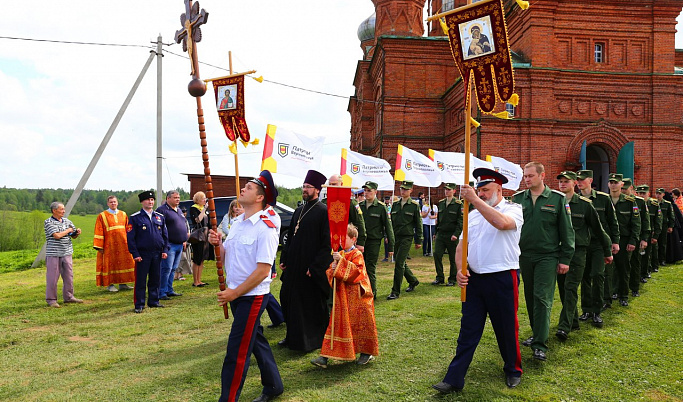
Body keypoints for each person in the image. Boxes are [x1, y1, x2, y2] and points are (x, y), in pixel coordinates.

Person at [432, 168, 523, 393]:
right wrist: (461, 268)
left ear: (499, 189)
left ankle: (513, 370)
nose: (481, 194)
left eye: (485, 190)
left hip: (502, 276)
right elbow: (462, 246)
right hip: (474, 280)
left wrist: (473, 199)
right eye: (479, 190)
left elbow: (501, 224)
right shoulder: (471, 215)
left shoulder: (513, 209)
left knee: (506, 327)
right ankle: (454, 378)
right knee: (468, 330)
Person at [208, 170, 284, 402]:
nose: (243, 189)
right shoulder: (238, 222)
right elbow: (227, 255)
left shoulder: (266, 227)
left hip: (251, 296)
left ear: (260, 197)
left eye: (249, 188)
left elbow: (263, 271)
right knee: (255, 340)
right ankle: (274, 386)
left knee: (237, 352)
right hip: (236, 293)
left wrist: (234, 293)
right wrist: (218, 244)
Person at [512, 162, 574, 361]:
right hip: (524, 255)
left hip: (548, 255)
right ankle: (536, 333)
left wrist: (565, 259)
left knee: (542, 298)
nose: (527, 179)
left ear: (542, 175)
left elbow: (567, 231)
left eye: (530, 176)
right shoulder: (517, 199)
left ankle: (540, 344)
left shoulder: (557, 199)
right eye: (525, 176)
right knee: (530, 297)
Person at [311, 224, 379, 368]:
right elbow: (330, 272)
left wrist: (340, 263)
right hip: (342, 297)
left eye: (345, 238)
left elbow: (356, 272)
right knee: (336, 323)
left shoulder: (357, 254)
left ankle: (366, 352)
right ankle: (325, 356)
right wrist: (333, 269)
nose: (341, 240)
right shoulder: (339, 254)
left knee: (361, 325)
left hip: (358, 298)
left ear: (354, 239)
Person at [278, 170, 332, 352]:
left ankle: (310, 340)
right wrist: (284, 258)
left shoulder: (323, 211)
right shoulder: (299, 211)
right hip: (293, 266)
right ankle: (291, 336)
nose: (304, 189)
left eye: (308, 187)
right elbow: (291, 238)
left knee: (307, 304)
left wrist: (316, 267)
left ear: (317, 190)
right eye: (304, 186)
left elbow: (327, 244)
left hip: (309, 268)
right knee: (288, 299)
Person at [555, 172, 612, 341]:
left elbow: (599, 230)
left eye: (567, 182)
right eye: (561, 182)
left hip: (578, 251)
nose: (563, 184)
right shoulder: (555, 202)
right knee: (563, 288)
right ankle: (573, 321)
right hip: (559, 252)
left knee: (571, 287)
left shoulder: (585, 205)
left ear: (574, 183)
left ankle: (563, 327)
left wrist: (607, 251)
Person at [576, 170, 619, 328]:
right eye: (577, 180)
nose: (579, 182)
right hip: (582, 243)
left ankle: (597, 310)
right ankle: (586, 309)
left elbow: (612, 222)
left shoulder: (603, 198)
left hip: (598, 243)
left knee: (598, 274)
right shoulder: (575, 199)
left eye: (582, 179)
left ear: (590, 180)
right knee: (585, 276)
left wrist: (615, 241)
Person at [127, 191, 169, 313]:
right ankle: (139, 304)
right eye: (147, 200)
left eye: (152, 200)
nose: (150, 202)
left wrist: (165, 249)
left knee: (155, 279)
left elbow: (165, 235)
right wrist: (135, 254)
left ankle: (153, 301)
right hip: (142, 254)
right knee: (141, 280)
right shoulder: (135, 218)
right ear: (142, 202)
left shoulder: (159, 217)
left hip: (157, 253)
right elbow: (130, 238)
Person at [605, 174, 640, 308]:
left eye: (616, 182)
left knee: (623, 268)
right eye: (611, 182)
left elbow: (636, 223)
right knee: (607, 270)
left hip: (624, 240)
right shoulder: (605, 200)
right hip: (607, 239)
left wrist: (633, 241)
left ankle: (623, 295)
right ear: (608, 184)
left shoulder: (630, 202)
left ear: (621, 184)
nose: (613, 185)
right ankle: (609, 294)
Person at [44, 202, 84, 308]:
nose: (63, 211)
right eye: (61, 209)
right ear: (54, 210)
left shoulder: (67, 221)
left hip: (67, 252)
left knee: (68, 276)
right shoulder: (48, 222)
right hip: (54, 254)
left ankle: (69, 297)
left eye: (64, 209)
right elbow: (57, 235)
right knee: (52, 278)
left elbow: (72, 235)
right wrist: (68, 230)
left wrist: (76, 233)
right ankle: (51, 300)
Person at [387, 181, 422, 300]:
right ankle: (413, 281)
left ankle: (395, 291)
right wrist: (389, 236)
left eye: (406, 189)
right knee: (400, 261)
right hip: (396, 236)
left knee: (399, 263)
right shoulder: (395, 205)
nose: (403, 191)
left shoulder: (414, 205)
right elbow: (391, 223)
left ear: (411, 190)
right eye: (402, 189)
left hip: (407, 237)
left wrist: (419, 240)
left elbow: (418, 223)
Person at [359, 181, 394, 298]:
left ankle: (372, 292)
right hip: (360, 241)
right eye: (365, 190)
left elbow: (388, 227)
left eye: (369, 190)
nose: (366, 193)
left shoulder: (381, 207)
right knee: (359, 267)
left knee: (370, 267)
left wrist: (391, 246)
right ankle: (361, 291)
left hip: (374, 241)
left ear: (375, 192)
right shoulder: (360, 206)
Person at [93, 196, 135, 292]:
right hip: (109, 245)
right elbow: (99, 230)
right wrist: (99, 245)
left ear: (117, 203)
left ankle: (123, 283)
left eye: (114, 202)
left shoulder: (123, 214)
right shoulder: (102, 215)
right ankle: (110, 284)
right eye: (111, 202)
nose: (113, 204)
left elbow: (128, 229)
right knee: (110, 264)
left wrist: (131, 241)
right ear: (108, 204)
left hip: (123, 244)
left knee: (124, 262)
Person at [156, 190, 188, 300]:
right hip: (169, 245)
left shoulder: (178, 210)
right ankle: (161, 292)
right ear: (168, 198)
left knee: (173, 268)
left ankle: (169, 290)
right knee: (166, 269)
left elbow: (182, 224)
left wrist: (184, 239)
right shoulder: (162, 210)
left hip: (179, 244)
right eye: (175, 197)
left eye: (178, 197)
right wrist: (164, 244)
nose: (178, 199)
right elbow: (158, 228)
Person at [622, 179, 650, 300]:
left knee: (635, 262)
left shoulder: (639, 202)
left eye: (625, 189)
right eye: (622, 188)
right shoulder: (616, 200)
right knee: (621, 265)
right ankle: (619, 289)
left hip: (636, 237)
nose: (623, 191)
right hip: (622, 237)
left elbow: (645, 221)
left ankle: (634, 287)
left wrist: (644, 238)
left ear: (631, 188)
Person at [432, 183, 463, 286]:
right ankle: (440, 277)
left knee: (453, 257)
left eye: (449, 190)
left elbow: (460, 221)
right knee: (437, 254)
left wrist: (456, 234)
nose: (447, 191)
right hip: (441, 233)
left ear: (454, 191)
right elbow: (439, 219)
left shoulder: (458, 204)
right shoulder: (441, 203)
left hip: (452, 234)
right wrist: (436, 232)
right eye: (446, 189)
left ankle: (452, 279)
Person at [325, 174, 367, 251]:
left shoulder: (350, 202)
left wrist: (360, 243)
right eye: (330, 185)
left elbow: (359, 222)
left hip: (345, 241)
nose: (332, 187)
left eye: (334, 184)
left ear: (341, 184)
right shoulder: (325, 202)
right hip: (328, 241)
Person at [635, 185, 661, 291]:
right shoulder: (634, 203)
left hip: (648, 233)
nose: (641, 195)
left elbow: (658, 221)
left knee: (645, 254)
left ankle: (644, 273)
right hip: (636, 233)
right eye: (639, 193)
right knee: (635, 257)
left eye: (643, 193)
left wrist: (655, 236)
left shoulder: (654, 204)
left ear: (648, 194)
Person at [189, 191, 210, 287]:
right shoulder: (194, 208)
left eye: (205, 198)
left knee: (202, 258)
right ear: (198, 200)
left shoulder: (204, 209)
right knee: (197, 258)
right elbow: (197, 220)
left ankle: (200, 279)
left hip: (205, 235)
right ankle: (195, 281)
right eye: (203, 198)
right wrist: (204, 210)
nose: (205, 200)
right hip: (198, 235)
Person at [655, 188, 675, 267]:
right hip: (655, 225)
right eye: (657, 193)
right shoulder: (653, 203)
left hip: (664, 225)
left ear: (663, 194)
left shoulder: (667, 204)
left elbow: (671, 216)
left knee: (663, 243)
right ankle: (655, 260)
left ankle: (662, 259)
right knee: (654, 244)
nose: (658, 195)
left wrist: (671, 226)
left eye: (660, 194)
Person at [175, 207, 193, 281]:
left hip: (186, 241)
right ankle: (177, 274)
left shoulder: (185, 220)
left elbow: (188, 230)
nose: (184, 214)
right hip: (180, 241)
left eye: (185, 213)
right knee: (181, 258)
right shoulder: (177, 220)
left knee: (185, 258)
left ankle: (179, 274)